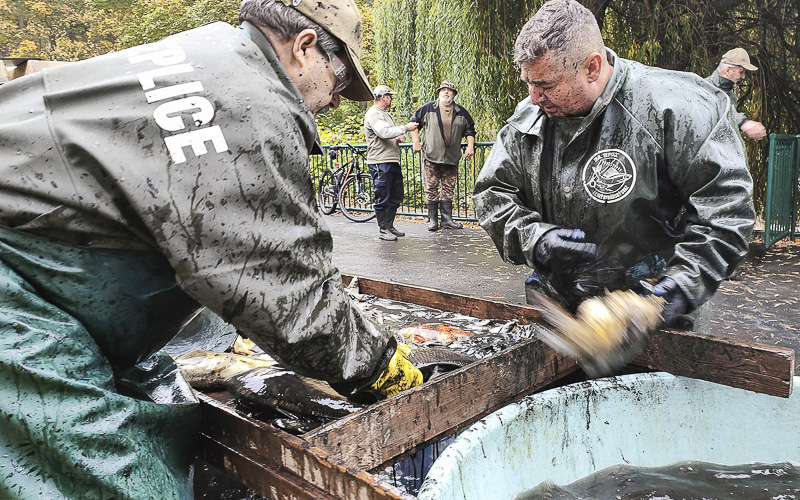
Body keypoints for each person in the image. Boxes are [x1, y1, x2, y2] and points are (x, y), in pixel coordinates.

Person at [0, 0, 422, 497]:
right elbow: (285, 298)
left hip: (56, 285)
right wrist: (383, 366)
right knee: (119, 476)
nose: (335, 99)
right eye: (340, 79)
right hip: (19, 297)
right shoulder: (249, 104)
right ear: (304, 48)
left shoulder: (207, 52)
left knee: (166, 410)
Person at [473, 0, 755, 333]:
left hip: (653, 318)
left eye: (546, 85)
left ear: (592, 67)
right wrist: (535, 240)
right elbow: (492, 194)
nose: (534, 98)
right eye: (529, 84)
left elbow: (725, 211)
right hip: (561, 318)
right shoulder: (530, 118)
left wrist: (677, 289)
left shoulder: (677, 108)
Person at [409, 81, 477, 231]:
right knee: (431, 188)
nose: (446, 92)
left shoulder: (461, 111)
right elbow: (413, 123)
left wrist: (470, 146)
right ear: (439, 93)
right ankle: (432, 220)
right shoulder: (428, 108)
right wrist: (416, 142)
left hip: (451, 158)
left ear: (454, 94)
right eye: (443, 90)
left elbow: (470, 130)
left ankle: (447, 220)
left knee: (448, 188)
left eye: (449, 90)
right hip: (431, 156)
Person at [364, 85, 418, 241]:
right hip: (380, 162)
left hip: (391, 160)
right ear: (383, 97)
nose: (391, 99)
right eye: (390, 96)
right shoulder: (373, 114)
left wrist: (398, 137)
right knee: (383, 195)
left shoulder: (386, 115)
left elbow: (388, 134)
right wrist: (405, 128)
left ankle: (389, 225)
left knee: (396, 194)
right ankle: (383, 229)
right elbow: (383, 132)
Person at [706, 48, 767, 141]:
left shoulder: (731, 96)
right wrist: (744, 123)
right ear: (727, 70)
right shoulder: (705, 87)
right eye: (741, 72)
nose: (743, 76)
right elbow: (717, 110)